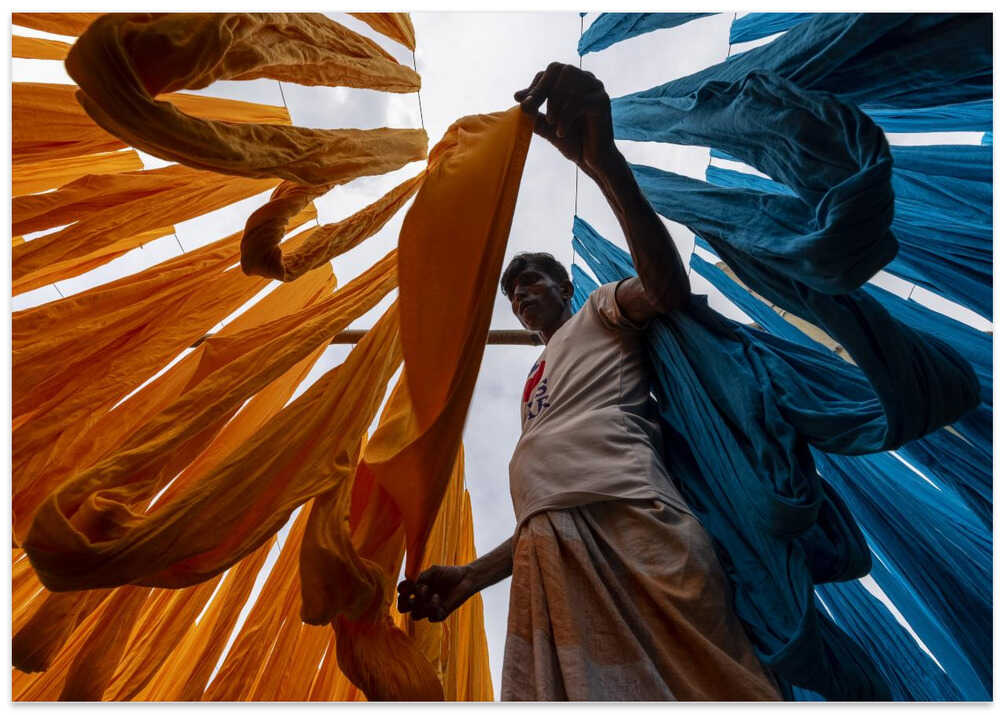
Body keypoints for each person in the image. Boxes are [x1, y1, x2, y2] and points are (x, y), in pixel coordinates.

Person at [396, 62, 781, 701]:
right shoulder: (532, 380)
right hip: (549, 549)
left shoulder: (603, 308)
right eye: (513, 290)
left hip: (635, 519)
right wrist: (470, 575)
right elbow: (551, 498)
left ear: (566, 286)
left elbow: (666, 286)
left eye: (533, 280)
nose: (521, 294)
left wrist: (604, 164)